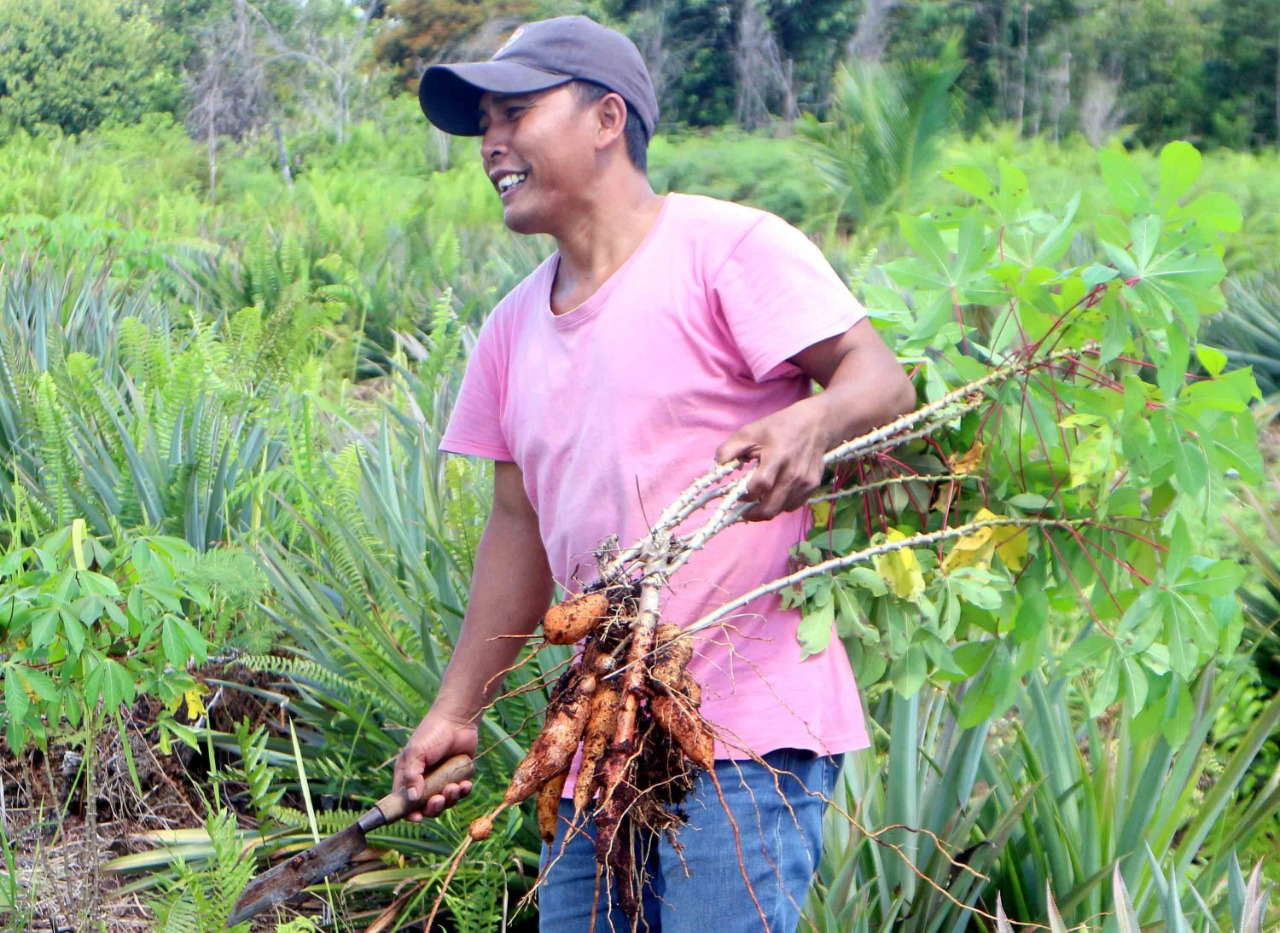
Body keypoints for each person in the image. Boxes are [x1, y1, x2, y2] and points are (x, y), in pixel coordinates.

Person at [393, 14, 916, 931]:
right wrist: (456, 709)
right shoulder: (510, 330)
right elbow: (517, 529)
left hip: (747, 732)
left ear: (607, 119)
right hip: (602, 729)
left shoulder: (727, 248)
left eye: (515, 112)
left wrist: (813, 420)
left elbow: (881, 379)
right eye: (483, 123)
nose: (491, 142)